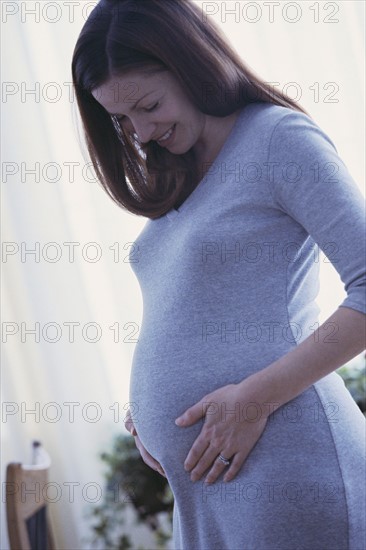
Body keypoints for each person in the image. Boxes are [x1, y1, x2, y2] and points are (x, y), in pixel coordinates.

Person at [71, 1, 366, 548]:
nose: (140, 132)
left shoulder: (279, 139)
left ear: (191, 63)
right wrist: (149, 411)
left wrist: (251, 401)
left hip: (288, 467)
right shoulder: (181, 176)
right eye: (122, 119)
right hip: (208, 488)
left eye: (149, 105)